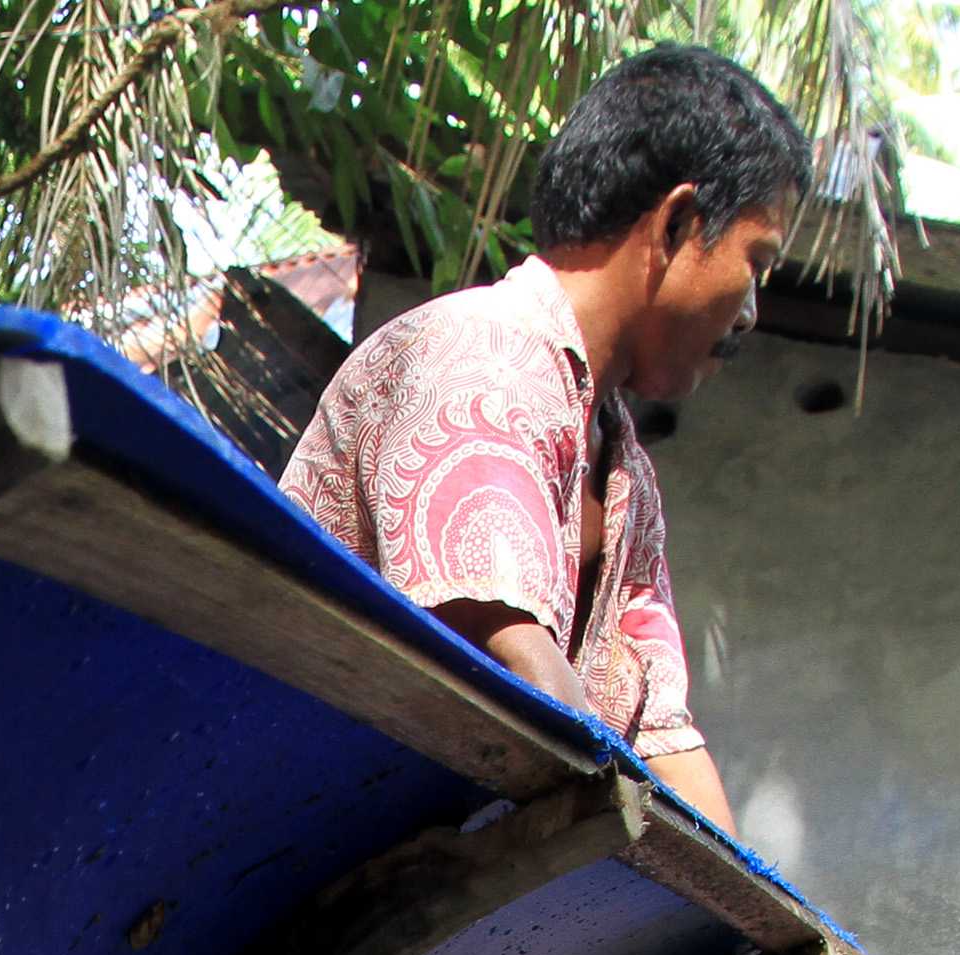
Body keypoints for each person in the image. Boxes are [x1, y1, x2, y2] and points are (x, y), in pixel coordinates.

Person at [279, 44, 807, 830]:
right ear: (677, 223)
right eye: (755, 261)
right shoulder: (477, 354)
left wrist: (741, 899)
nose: (752, 311)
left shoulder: (625, 472)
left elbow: (665, 737)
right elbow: (504, 650)